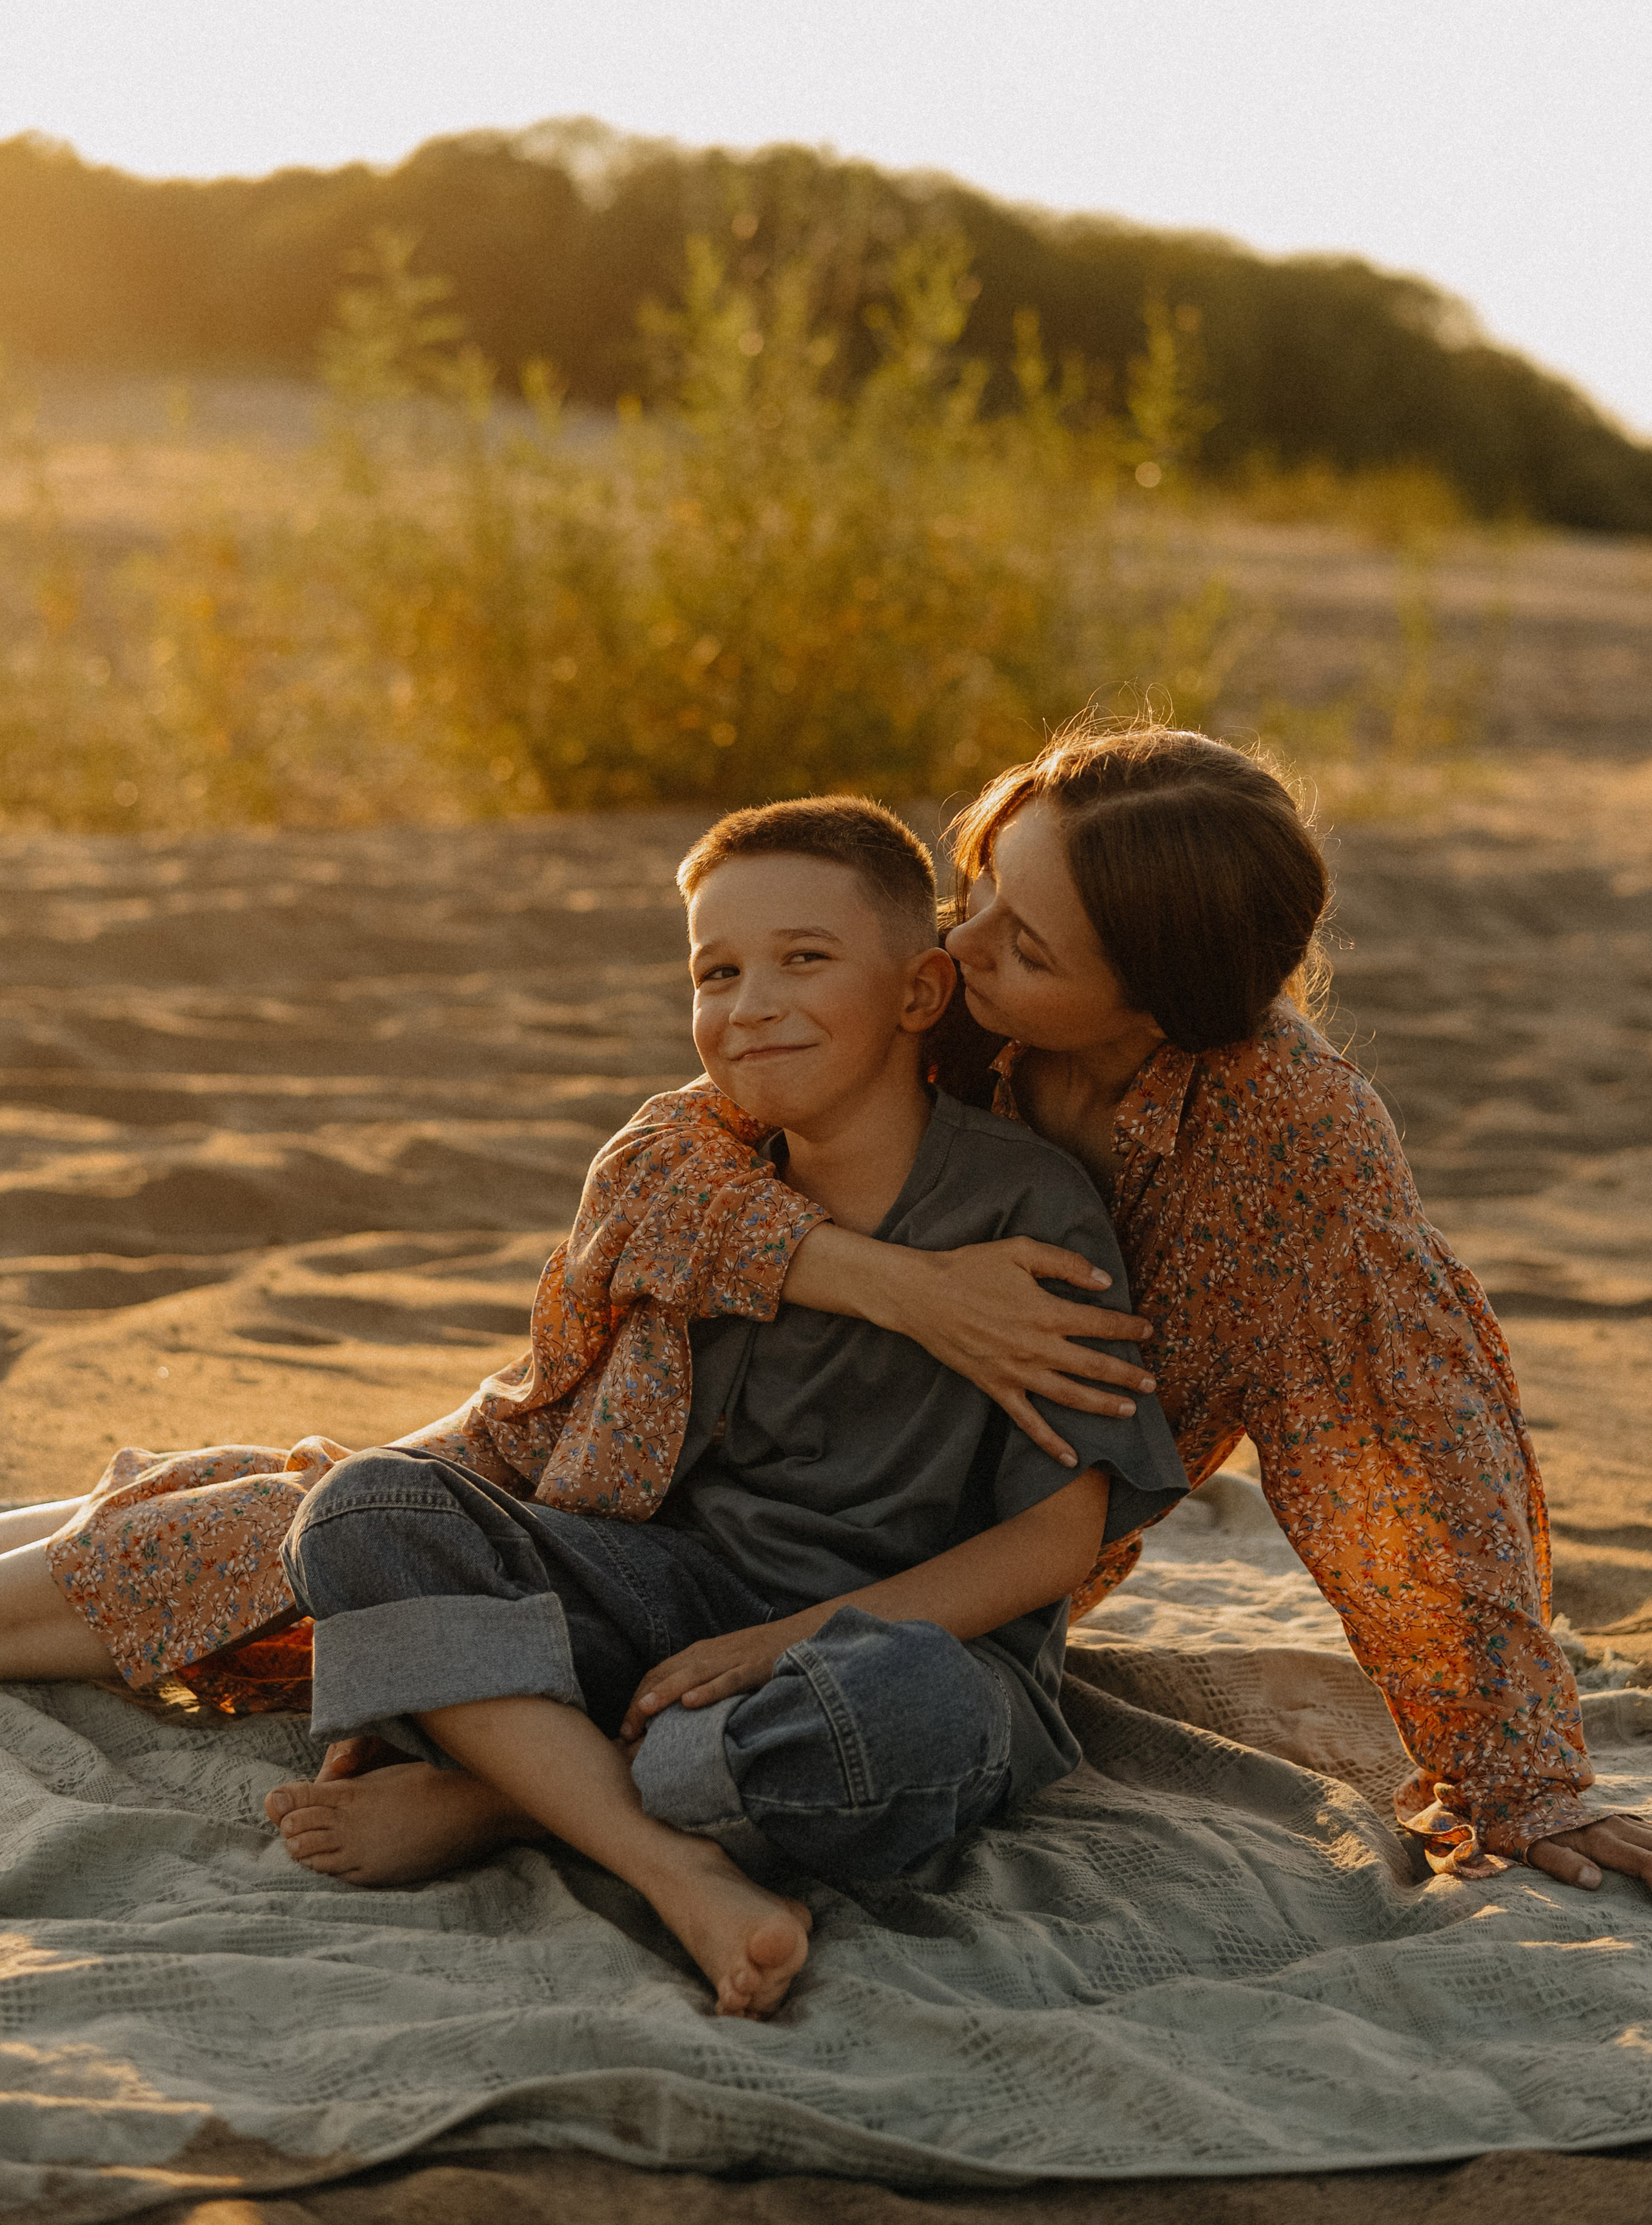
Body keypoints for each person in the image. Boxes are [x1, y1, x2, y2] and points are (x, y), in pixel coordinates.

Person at [259, 799, 1186, 2017]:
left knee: (877, 1727)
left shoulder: (1031, 1211)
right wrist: (719, 1631)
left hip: (901, 1650)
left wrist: (783, 1645)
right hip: (679, 1600)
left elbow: (1058, 1543)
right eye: (718, 971)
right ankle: (667, 1858)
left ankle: (504, 1794)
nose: (752, 1004)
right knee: (356, 1509)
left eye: (805, 959)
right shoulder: (715, 1190)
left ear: (918, 995)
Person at [760, 721, 1652, 1896]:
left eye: (1024, 945)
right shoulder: (939, 987)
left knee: (819, 1748)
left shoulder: (1293, 1136)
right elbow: (664, 1176)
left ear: (1162, 1004)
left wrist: (1512, 1774)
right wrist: (903, 1287)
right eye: (978, 879)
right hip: (747, 1469)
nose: (960, 941)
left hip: (972, 1572)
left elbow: (1411, 1442)